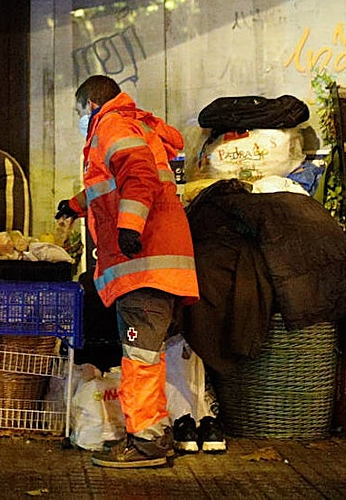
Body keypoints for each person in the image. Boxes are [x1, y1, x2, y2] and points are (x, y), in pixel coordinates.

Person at [55, 75, 199, 468]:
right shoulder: (135, 125)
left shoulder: (112, 125)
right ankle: (156, 434)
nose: (81, 121)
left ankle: (147, 442)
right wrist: (75, 204)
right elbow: (112, 184)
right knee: (147, 354)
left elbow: (138, 175)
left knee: (139, 356)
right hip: (159, 262)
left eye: (79, 113)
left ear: (90, 105)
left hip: (144, 263)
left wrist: (129, 229)